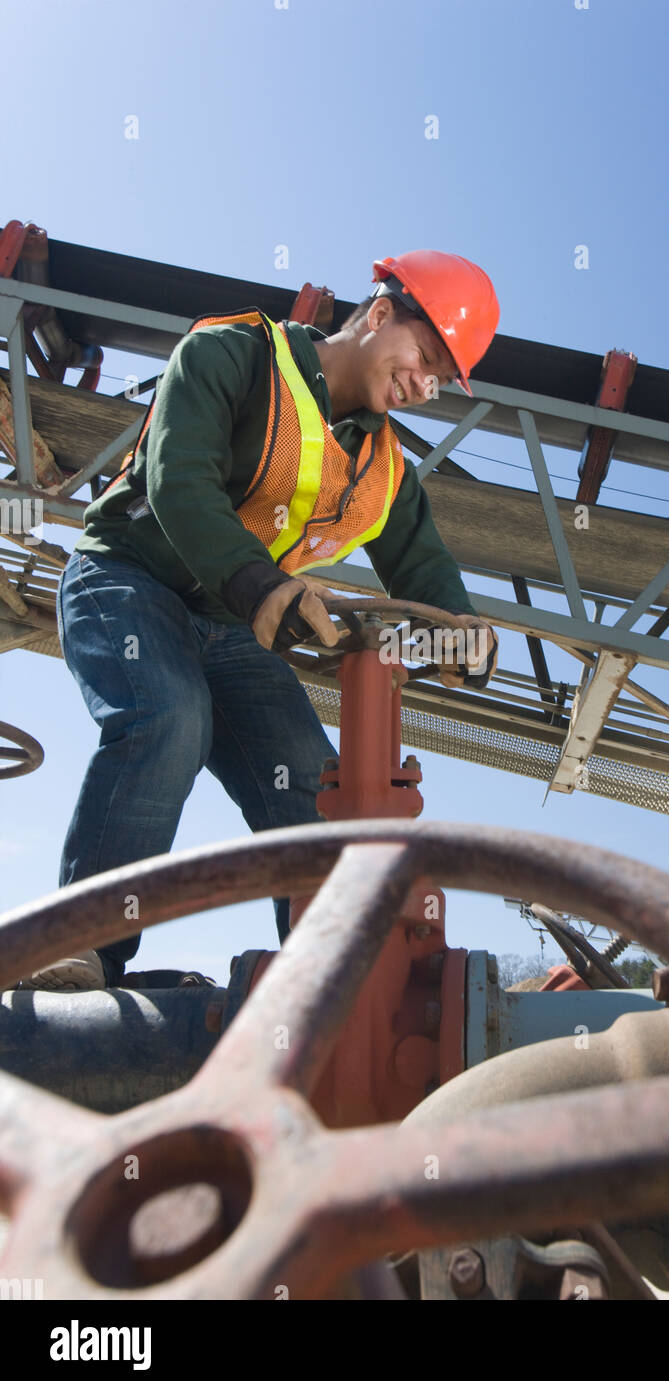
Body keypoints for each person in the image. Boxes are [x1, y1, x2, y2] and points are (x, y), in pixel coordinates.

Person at [20, 251, 500, 990]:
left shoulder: (386, 468)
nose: (423, 385)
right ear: (379, 315)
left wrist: (464, 630)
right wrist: (260, 585)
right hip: (127, 577)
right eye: (424, 357)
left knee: (311, 788)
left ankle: (323, 989)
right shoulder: (231, 355)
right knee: (168, 718)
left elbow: (425, 569)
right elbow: (179, 483)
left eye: (440, 379)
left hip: (230, 623)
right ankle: (79, 952)